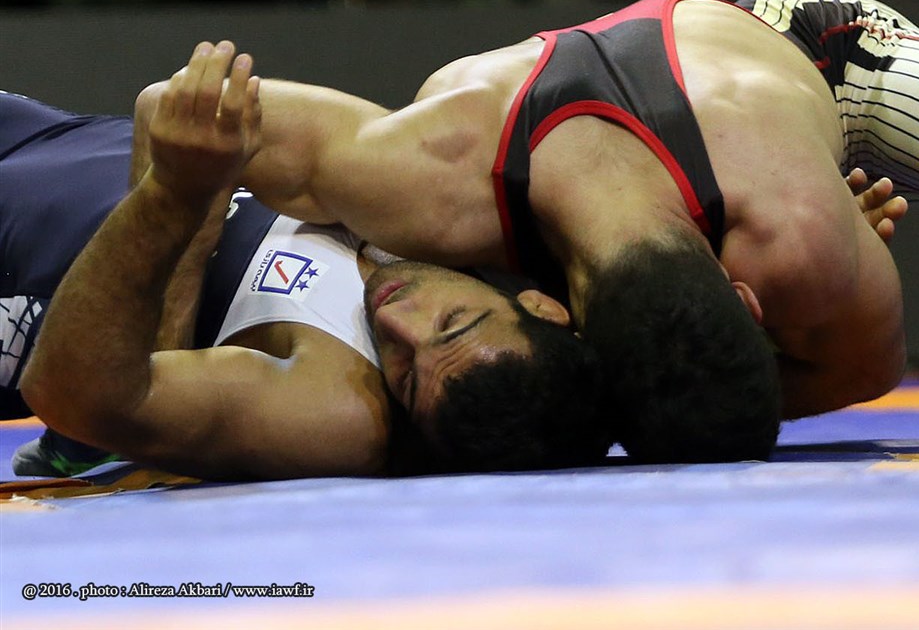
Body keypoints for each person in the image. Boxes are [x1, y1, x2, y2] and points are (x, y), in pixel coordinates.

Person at [155, 0, 919, 466]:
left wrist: (156, 373)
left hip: (825, 67)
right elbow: (178, 114)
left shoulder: (798, 236)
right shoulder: (424, 170)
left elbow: (868, 370)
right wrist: (156, 366)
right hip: (707, 110)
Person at [9, 51, 610, 479]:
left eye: (405, 378)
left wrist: (181, 201)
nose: (397, 322)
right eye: (452, 323)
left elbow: (86, 396)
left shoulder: (339, 414)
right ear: (540, 305)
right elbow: (168, 105)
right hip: (60, 143)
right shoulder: (453, 213)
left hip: (28, 273)